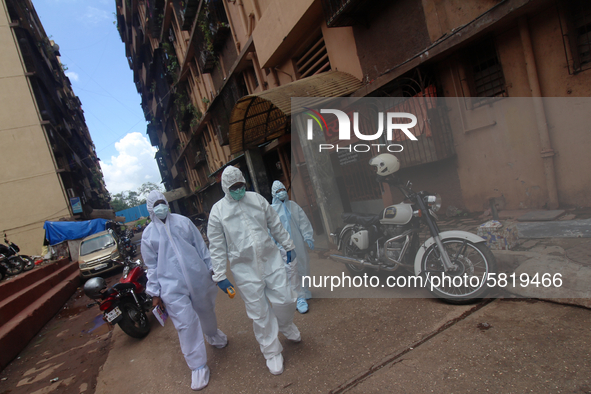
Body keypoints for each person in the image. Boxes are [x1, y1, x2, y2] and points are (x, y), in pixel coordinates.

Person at [207, 166, 301, 376]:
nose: (238, 190)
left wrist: (289, 245)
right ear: (225, 188)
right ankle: (271, 352)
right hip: (244, 269)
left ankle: (286, 324)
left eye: (240, 185)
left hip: (270, 259)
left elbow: (275, 224)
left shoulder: (257, 199)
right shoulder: (218, 211)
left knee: (285, 299)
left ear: (244, 182)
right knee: (259, 313)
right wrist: (220, 274)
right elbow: (217, 246)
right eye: (234, 188)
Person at [141, 191, 227, 391]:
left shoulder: (183, 222)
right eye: (157, 204)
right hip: (171, 286)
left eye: (163, 202)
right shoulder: (148, 235)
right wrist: (155, 293)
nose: (161, 207)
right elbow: (151, 266)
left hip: (197, 276)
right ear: (151, 209)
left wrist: (212, 268)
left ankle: (213, 335)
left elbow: (201, 247)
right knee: (186, 323)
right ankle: (197, 366)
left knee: (206, 310)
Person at [270, 181, 315, 314]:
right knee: (290, 270)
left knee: (303, 265)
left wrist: (308, 236)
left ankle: (304, 290)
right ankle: (298, 297)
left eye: (283, 189)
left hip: (298, 242)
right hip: (283, 246)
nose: (282, 192)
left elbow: (303, 222)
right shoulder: (271, 210)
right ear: (273, 194)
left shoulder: (293, 206)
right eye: (278, 191)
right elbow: (269, 229)